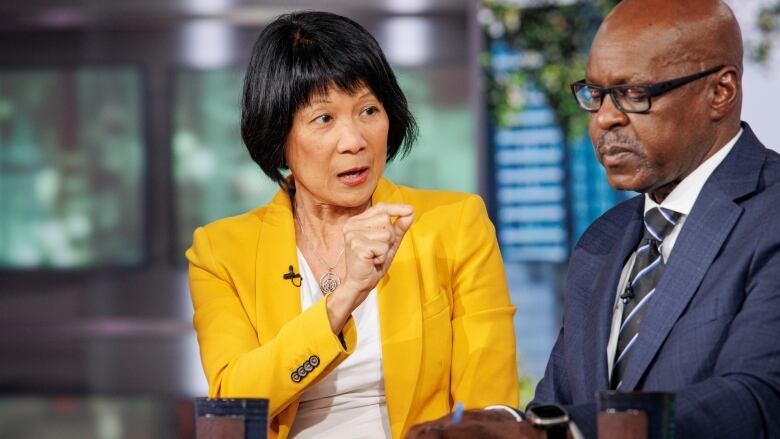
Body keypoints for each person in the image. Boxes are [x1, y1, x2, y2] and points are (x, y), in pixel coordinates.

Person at [407, 0, 780, 438]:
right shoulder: (603, 240)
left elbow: (758, 399)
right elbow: (555, 404)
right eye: (595, 94)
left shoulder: (768, 213)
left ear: (720, 92)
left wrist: (559, 431)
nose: (605, 118)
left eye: (634, 94)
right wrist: (497, 424)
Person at [185, 11, 518, 439]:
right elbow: (233, 403)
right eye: (324, 119)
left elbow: (487, 410)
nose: (355, 141)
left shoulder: (454, 225)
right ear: (279, 137)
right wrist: (343, 298)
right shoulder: (220, 251)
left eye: (367, 110)